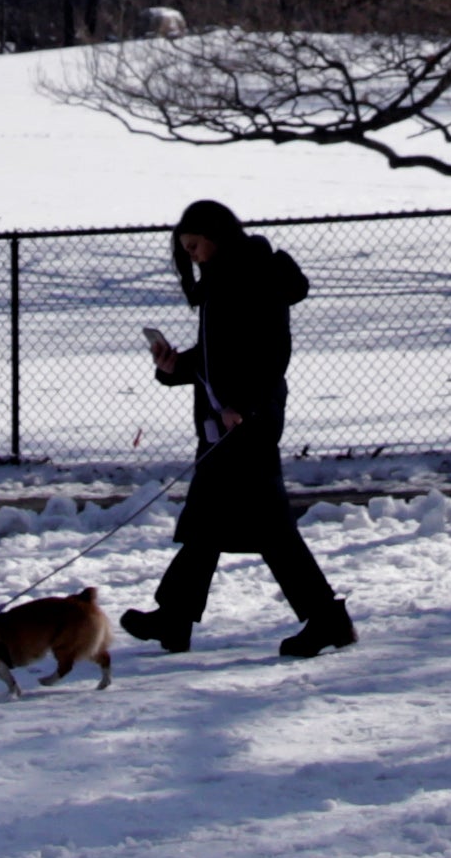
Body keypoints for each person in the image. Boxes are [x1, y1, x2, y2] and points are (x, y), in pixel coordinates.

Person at [129, 197, 356, 659]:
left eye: (195, 247)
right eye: (186, 250)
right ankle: (174, 618)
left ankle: (327, 618)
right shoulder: (222, 279)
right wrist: (175, 366)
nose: (191, 256)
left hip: (246, 422)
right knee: (205, 524)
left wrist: (243, 406)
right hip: (225, 424)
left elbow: (270, 351)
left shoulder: (253, 273)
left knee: (271, 530)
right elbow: (220, 354)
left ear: (215, 235)